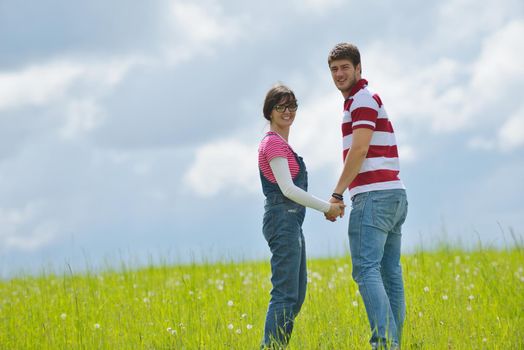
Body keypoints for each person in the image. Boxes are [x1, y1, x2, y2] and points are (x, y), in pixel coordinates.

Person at [325, 43, 408, 350]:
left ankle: (384, 344)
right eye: (334, 69)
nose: (339, 74)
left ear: (359, 69)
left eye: (345, 67)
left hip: (374, 197)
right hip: (394, 195)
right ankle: (393, 343)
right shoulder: (361, 100)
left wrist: (337, 193)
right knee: (389, 273)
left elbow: (359, 150)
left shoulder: (361, 100)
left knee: (365, 271)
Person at [258, 84, 345, 348]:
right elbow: (287, 188)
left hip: (292, 222)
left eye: (291, 106)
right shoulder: (272, 143)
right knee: (285, 295)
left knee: (296, 296)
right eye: (280, 106)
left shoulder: (283, 145)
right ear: (269, 112)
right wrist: (327, 207)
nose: (287, 112)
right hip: (282, 221)